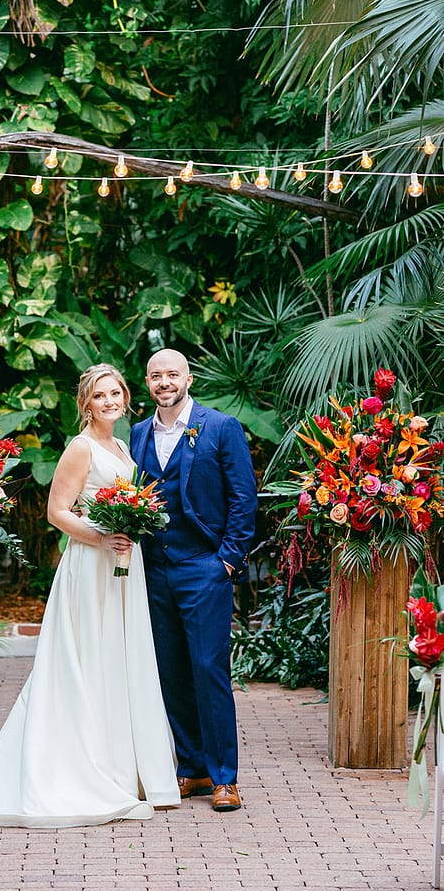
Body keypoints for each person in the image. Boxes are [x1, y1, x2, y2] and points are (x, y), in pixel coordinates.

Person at [0, 363, 180, 827]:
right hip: (90, 564)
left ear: (125, 397)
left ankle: (125, 769)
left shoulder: (121, 446)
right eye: (99, 396)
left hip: (124, 561)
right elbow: (56, 511)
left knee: (121, 657)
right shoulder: (80, 448)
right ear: (86, 403)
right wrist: (101, 538)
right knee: (89, 658)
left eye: (115, 394)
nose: (109, 402)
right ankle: (82, 766)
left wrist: (129, 530)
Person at [130, 348, 257, 812]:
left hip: (204, 567)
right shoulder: (139, 433)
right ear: (147, 383)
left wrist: (225, 561)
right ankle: (192, 768)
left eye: (172, 374)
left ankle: (226, 776)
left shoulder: (220, 428)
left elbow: (244, 500)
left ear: (188, 378)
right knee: (172, 672)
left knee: (208, 670)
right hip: (155, 570)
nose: (164, 382)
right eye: (155, 375)